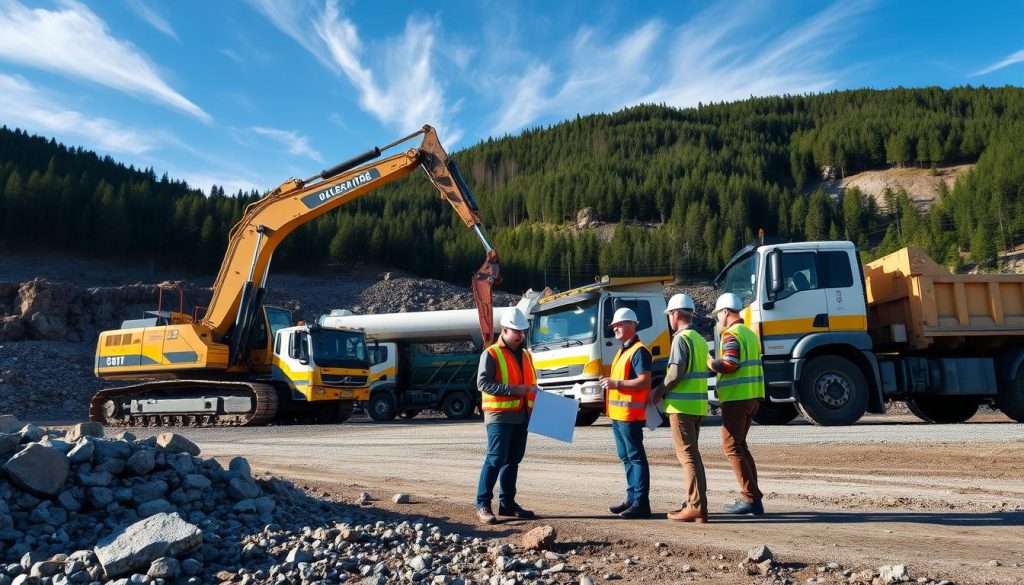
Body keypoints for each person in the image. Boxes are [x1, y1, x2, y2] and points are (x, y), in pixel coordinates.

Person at [475, 308, 541, 524]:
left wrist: (533, 395)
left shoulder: (525, 354)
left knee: (513, 460)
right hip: (500, 416)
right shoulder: (491, 353)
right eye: (517, 332)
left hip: (522, 415)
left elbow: (529, 385)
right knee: (495, 459)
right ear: (504, 330)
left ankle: (507, 504)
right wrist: (516, 390)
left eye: (523, 331)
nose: (521, 335)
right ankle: (483, 504)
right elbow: (483, 383)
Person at [651, 293, 709, 523]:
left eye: (669, 316)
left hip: (681, 407)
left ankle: (696, 506)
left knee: (688, 457)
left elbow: (675, 373)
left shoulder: (680, 339)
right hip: (697, 406)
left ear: (675, 314)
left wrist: (658, 392)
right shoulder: (700, 339)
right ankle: (694, 503)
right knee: (693, 456)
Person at [708, 293, 766, 515]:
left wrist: (712, 363)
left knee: (731, 447)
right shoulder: (749, 334)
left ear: (725, 312)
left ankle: (750, 498)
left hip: (736, 398)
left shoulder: (731, 335)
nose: (718, 321)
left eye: (718, 316)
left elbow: (730, 364)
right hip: (752, 397)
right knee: (740, 446)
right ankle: (753, 497)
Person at [601, 307, 653, 519]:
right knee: (626, 457)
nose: (615, 328)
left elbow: (645, 381)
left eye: (619, 324)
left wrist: (617, 383)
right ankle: (632, 498)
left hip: (629, 416)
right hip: (618, 415)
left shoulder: (639, 351)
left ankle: (641, 502)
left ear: (632, 325)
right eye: (614, 325)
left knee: (635, 457)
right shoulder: (624, 350)